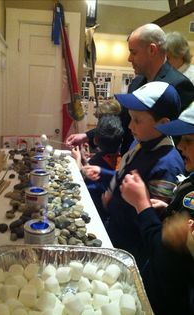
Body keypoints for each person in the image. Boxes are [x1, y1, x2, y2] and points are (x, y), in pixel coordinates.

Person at [66, 23, 194, 155]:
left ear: (152, 50)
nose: (129, 58)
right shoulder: (137, 82)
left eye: (133, 52)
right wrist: (88, 136)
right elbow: (123, 118)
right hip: (131, 161)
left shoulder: (179, 85)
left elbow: (181, 141)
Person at [120, 101, 194, 315]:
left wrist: (142, 205)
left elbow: (165, 257)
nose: (180, 146)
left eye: (189, 140)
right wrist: (168, 209)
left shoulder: (170, 164)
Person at [103, 81, 185, 270]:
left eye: (138, 120)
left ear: (164, 124)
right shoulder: (141, 142)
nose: (130, 126)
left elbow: (153, 221)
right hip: (117, 230)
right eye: (130, 118)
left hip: (133, 249)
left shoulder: (167, 165)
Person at [71, 115, 124, 223]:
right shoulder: (121, 158)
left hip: (94, 212)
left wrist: (77, 159)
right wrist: (85, 161)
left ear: (95, 140)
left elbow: (79, 182)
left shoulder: (98, 161)